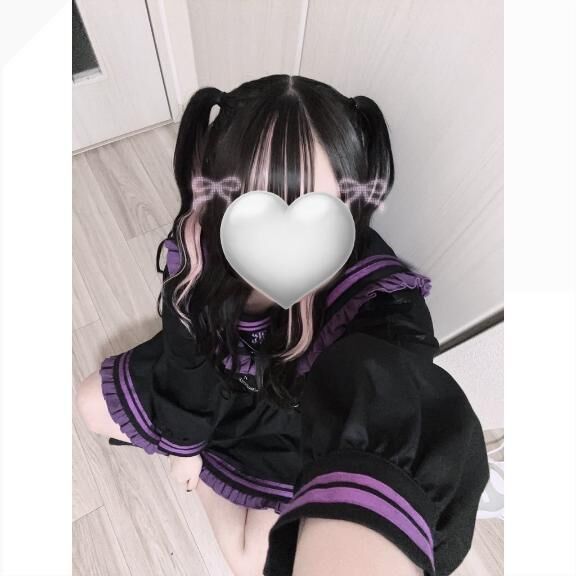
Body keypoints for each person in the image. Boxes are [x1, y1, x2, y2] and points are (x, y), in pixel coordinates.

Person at [75, 74, 489, 576]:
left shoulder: (375, 298)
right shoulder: (201, 245)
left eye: (314, 210)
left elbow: (395, 387)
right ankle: (204, 459)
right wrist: (185, 446)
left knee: (252, 561)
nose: (281, 239)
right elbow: (187, 356)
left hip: (290, 425)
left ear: (350, 201)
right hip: (211, 388)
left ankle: (213, 473)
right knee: (90, 405)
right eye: (253, 207)